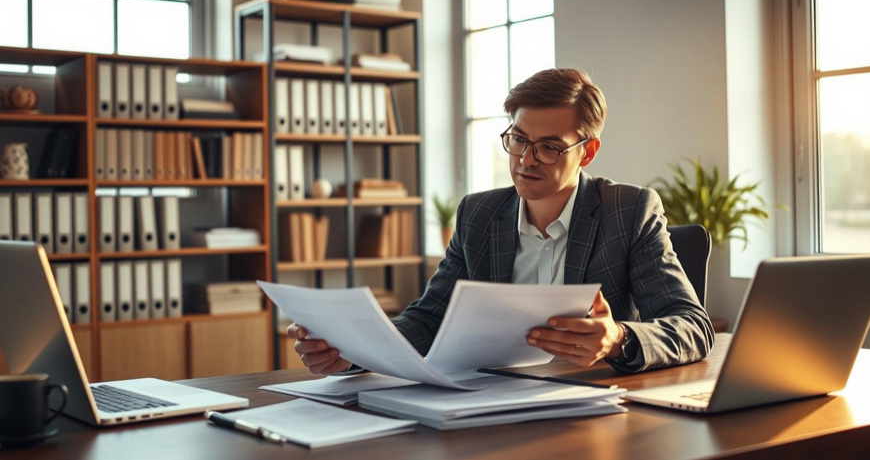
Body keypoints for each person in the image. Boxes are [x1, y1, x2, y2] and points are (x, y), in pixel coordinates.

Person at [289, 68, 715, 375]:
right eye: (518, 140)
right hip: (489, 406)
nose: (526, 160)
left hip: (591, 407)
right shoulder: (478, 215)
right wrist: (353, 351)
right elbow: (427, 319)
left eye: (549, 147)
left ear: (587, 152)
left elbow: (693, 326)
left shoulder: (628, 211)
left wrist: (618, 339)